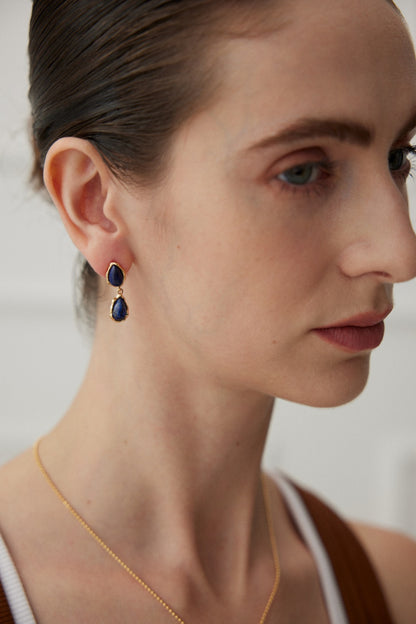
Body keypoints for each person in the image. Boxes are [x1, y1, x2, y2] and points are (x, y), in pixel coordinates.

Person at [1, 0, 416, 621]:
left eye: (397, 158)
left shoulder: (394, 586)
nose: (399, 252)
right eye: (303, 171)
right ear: (95, 203)